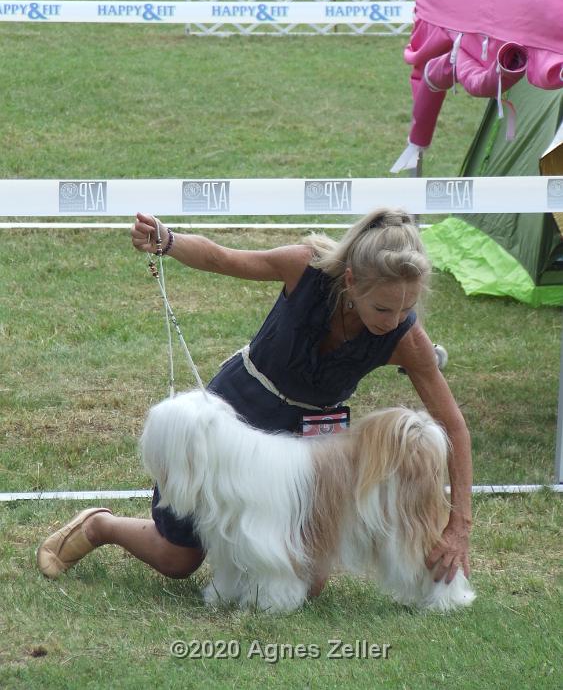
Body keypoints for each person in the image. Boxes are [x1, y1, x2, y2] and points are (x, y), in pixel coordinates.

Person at [37, 208, 472, 594]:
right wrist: (168, 241)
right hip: (241, 408)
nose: (394, 321)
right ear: (353, 282)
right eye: (382, 310)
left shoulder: (406, 338)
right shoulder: (305, 267)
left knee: (306, 577)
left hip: (310, 443)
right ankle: (99, 526)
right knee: (178, 558)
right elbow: (222, 258)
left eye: (406, 309)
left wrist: (458, 528)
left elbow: (453, 428)